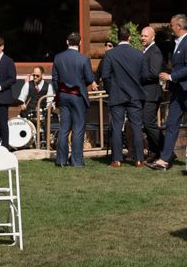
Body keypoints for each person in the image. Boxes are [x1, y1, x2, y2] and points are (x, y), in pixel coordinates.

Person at [155, 14, 187, 174]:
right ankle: (164, 159)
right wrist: (169, 83)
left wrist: (171, 76)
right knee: (171, 124)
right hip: (178, 91)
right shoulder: (178, 43)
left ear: (179, 26)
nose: (171, 28)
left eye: (172, 25)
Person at [99, 26, 147, 166]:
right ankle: (139, 159)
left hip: (117, 94)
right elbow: (143, 75)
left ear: (117, 38)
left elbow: (105, 76)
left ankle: (117, 159)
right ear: (129, 37)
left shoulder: (110, 54)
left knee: (116, 127)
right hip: (135, 95)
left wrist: (110, 90)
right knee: (137, 127)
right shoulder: (139, 54)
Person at [51, 30, 95, 166]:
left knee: (64, 128)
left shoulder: (58, 57)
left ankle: (61, 160)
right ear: (80, 43)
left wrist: (59, 91)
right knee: (78, 128)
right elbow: (89, 78)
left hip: (63, 95)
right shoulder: (84, 59)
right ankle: (76, 161)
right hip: (78, 96)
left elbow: (54, 80)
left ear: (67, 42)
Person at [139, 24, 167, 162]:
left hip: (151, 93)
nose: (142, 38)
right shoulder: (146, 50)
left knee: (148, 122)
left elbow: (154, 73)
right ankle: (154, 152)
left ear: (153, 37)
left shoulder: (154, 51)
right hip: (145, 93)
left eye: (145, 36)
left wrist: (137, 76)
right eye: (142, 35)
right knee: (147, 123)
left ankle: (166, 149)